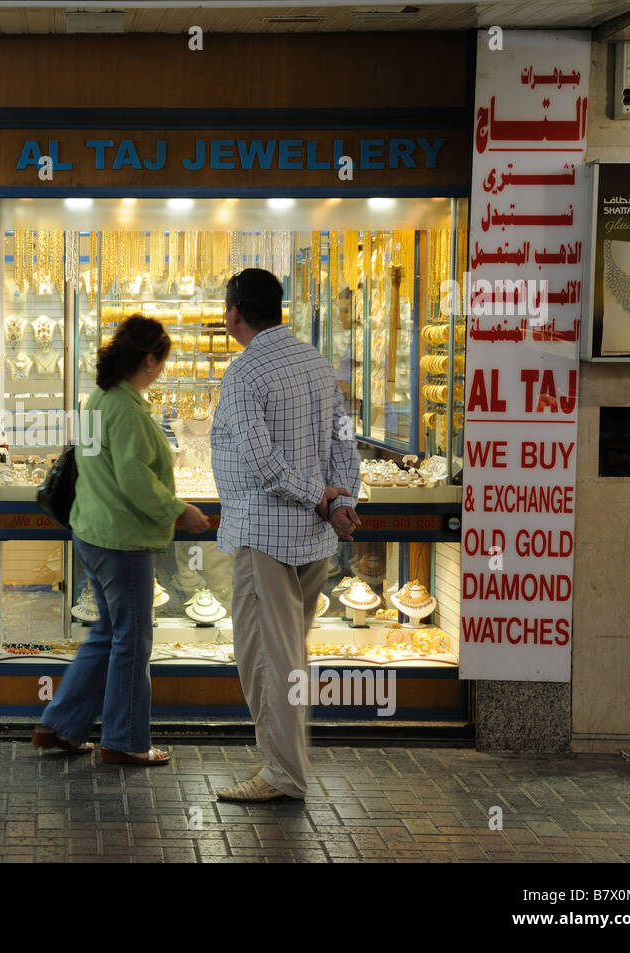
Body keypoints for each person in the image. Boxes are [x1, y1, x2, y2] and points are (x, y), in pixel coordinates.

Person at [33, 315, 212, 766]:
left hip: (93, 530)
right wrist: (179, 510)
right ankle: (125, 740)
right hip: (121, 538)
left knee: (107, 634)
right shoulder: (128, 410)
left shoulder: (99, 400)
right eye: (162, 361)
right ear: (150, 360)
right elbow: (133, 478)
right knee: (131, 642)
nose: (163, 369)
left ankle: (60, 725)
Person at [210, 269, 361, 802]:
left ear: (233, 312)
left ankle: (282, 775)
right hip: (313, 540)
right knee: (288, 656)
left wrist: (322, 496)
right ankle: (286, 766)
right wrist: (342, 499)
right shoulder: (316, 362)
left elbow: (260, 461)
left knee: (266, 660)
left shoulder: (245, 372)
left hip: (266, 536)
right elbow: (346, 437)